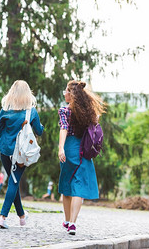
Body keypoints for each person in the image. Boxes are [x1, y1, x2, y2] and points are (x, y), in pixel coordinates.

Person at [0, 80, 44, 229]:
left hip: (5, 150)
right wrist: (40, 125)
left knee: (12, 181)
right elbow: (39, 131)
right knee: (14, 182)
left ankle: (22, 216)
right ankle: (2, 217)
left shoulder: (4, 110)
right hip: (21, 153)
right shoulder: (31, 112)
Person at [58, 80, 105, 235]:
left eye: (66, 91)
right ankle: (72, 223)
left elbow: (63, 129)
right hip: (84, 150)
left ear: (72, 95)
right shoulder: (88, 113)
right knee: (79, 186)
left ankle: (66, 220)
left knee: (67, 185)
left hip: (69, 147)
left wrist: (61, 148)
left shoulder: (65, 111)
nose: (64, 93)